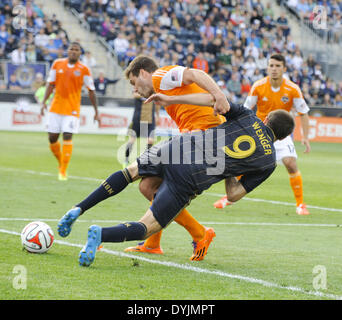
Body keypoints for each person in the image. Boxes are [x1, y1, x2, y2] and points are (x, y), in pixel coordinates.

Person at [57, 93, 295, 267]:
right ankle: (100, 234)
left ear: (266, 120)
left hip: (180, 146)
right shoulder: (267, 163)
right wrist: (231, 168)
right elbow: (233, 194)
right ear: (282, 137)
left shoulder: (248, 116)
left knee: (132, 173)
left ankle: (79, 208)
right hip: (193, 176)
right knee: (147, 227)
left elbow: (216, 102)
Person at [59, 54, 229, 262]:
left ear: (143, 73)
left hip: (207, 141)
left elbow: (194, 73)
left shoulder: (160, 76)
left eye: (134, 83)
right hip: (194, 140)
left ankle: (198, 234)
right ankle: (160, 242)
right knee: (147, 187)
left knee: (136, 172)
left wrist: (218, 94)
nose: (135, 90)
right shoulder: (163, 92)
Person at [213, 53, 311, 215]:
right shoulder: (258, 86)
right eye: (271, 65)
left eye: (277, 66)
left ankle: (300, 204)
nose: (274, 69)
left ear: (284, 69)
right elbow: (246, 108)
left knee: (290, 163)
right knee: (241, 164)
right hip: (258, 132)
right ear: (267, 67)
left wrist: (306, 137)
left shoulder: (293, 89)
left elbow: (304, 112)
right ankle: (228, 197)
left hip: (280, 134)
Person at [40, 42, 99, 181]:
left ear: (80, 53)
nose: (73, 51)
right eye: (71, 49)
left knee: (67, 135)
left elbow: (91, 90)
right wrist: (44, 102)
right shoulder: (57, 64)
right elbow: (50, 84)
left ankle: (63, 171)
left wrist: (96, 111)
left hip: (72, 109)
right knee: (52, 138)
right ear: (67, 51)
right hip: (55, 107)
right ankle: (61, 162)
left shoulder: (84, 69)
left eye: (76, 50)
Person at [124, 92, 158, 166]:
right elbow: (134, 95)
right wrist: (147, 94)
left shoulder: (154, 90)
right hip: (137, 120)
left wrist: (157, 115)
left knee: (150, 140)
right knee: (132, 139)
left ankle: (146, 160)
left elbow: (157, 103)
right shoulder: (140, 88)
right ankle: (126, 160)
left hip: (150, 120)